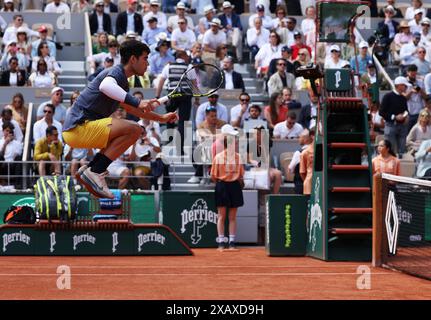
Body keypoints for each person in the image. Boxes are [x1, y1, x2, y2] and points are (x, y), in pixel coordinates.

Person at [62, 40, 177, 199]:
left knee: (129, 132)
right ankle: (96, 171)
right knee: (135, 129)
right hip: (78, 128)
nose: (148, 63)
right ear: (132, 59)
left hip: (78, 133)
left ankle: (91, 168)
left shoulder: (122, 82)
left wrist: (161, 118)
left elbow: (132, 109)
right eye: (145, 58)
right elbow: (105, 87)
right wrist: (137, 101)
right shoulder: (116, 72)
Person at [211, 124, 244, 250]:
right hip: (223, 186)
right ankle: (221, 242)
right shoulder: (218, 157)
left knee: (232, 217)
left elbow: (240, 174)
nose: (235, 144)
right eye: (234, 142)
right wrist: (223, 181)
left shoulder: (238, 157)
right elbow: (214, 175)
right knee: (221, 216)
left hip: (233, 186)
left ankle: (231, 242)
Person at [155, 50, 196, 154]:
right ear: (182, 56)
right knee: (183, 122)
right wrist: (197, 98)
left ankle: (169, 143)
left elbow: (161, 81)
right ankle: (180, 148)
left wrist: (157, 96)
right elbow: (194, 83)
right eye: (186, 55)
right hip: (185, 96)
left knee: (169, 118)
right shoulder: (189, 66)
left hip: (172, 95)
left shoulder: (168, 66)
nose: (188, 57)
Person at [188, 105, 226, 184]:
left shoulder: (222, 123)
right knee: (197, 152)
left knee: (206, 151)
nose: (214, 118)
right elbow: (204, 137)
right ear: (206, 116)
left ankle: (198, 175)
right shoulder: (201, 125)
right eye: (212, 116)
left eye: (215, 115)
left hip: (221, 147)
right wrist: (217, 136)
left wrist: (212, 137)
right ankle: (203, 174)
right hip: (208, 147)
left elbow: (225, 136)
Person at [379, 76, 411, 157]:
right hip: (391, 125)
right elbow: (381, 112)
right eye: (404, 85)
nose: (406, 87)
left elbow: (406, 111)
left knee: (402, 152)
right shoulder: (388, 96)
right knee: (390, 151)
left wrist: (406, 116)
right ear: (399, 85)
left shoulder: (403, 98)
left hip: (402, 126)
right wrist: (394, 117)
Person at [405, 64, 427, 131]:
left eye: (414, 74)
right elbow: (404, 98)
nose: (413, 76)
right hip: (409, 112)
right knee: (408, 133)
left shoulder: (420, 82)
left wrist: (420, 90)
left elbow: (425, 97)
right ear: (407, 72)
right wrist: (411, 91)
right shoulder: (404, 82)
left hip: (419, 111)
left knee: (419, 131)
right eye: (411, 74)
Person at [300, 130, 315, 196]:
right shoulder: (305, 153)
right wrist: (309, 181)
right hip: (309, 186)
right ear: (312, 136)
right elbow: (302, 172)